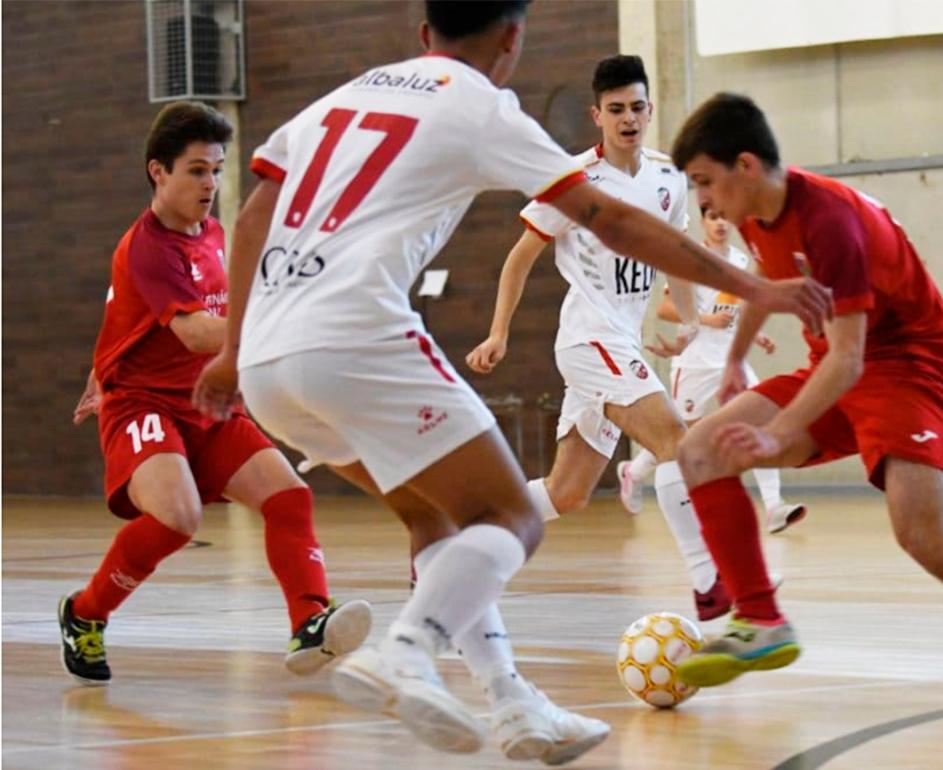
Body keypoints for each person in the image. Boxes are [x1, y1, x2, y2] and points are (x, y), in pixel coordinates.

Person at [192, 2, 830, 761]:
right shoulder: (479, 103)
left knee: (443, 522)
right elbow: (606, 220)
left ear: (424, 34)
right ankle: (411, 649)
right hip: (356, 338)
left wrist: (233, 350)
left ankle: (511, 699)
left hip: (268, 361)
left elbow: (254, 211)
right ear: (513, 39)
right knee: (513, 518)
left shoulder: (348, 93)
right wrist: (749, 286)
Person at [665, 93, 943, 707]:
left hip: (907, 365)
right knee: (700, 450)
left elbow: (851, 358)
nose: (703, 200)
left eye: (705, 182)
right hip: (838, 360)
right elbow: (766, 286)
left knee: (925, 535)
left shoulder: (829, 221)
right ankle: (760, 621)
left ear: (746, 166)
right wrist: (735, 358)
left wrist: (777, 431)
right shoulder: (758, 213)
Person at [59, 101, 372, 688]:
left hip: (206, 399)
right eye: (197, 171)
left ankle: (310, 622)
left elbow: (125, 314)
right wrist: (285, 327)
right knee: (178, 518)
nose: (211, 183)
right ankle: (85, 613)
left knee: (289, 497)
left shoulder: (215, 235)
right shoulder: (148, 246)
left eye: (217, 169)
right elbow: (196, 330)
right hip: (144, 404)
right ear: (159, 172)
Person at [465, 54, 736, 622]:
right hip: (588, 341)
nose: (628, 118)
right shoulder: (574, 182)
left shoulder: (667, 178)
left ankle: (457, 540)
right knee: (676, 442)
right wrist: (498, 334)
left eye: (637, 107)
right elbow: (519, 260)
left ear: (649, 109)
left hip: (624, 345)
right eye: (616, 110)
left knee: (568, 492)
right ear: (597, 116)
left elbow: (677, 262)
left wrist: (686, 325)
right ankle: (711, 585)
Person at [617, 205, 807, 535]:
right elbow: (664, 309)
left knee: (761, 420)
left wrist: (756, 335)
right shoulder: (690, 258)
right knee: (679, 435)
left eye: (725, 217)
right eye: (713, 217)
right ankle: (634, 471)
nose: (720, 223)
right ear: (703, 222)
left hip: (730, 360)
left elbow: (735, 309)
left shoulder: (740, 260)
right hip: (694, 361)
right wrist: (706, 321)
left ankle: (775, 506)